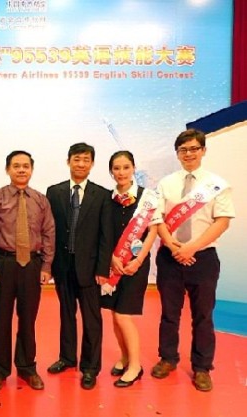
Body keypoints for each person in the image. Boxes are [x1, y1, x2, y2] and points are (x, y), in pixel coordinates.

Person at [151, 129, 234, 392]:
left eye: (194, 148)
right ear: (177, 153)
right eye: (183, 149)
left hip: (203, 257)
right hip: (170, 256)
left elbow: (222, 221)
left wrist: (192, 248)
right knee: (169, 314)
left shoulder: (216, 184)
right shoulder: (166, 184)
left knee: (203, 315)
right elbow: (157, 218)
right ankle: (168, 358)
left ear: (203, 150)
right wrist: (171, 244)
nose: (189, 154)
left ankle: (202, 367)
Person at [0, 150, 55, 392]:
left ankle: (27, 367)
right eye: (16, 166)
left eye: (25, 166)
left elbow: (48, 233)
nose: (21, 170)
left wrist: (46, 265)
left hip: (31, 265)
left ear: (31, 169)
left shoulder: (40, 200)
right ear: (8, 169)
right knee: (0, 320)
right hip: (4, 264)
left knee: (28, 319)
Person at [46, 142, 113, 390]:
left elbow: (106, 236)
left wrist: (102, 270)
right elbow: (49, 231)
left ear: (92, 164)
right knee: (66, 315)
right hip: (62, 267)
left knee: (92, 320)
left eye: (86, 160)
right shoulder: (54, 192)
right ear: (68, 161)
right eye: (77, 159)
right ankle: (67, 358)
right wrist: (49, 264)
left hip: (90, 269)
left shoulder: (102, 195)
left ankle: (90, 367)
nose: (81, 164)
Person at [100, 151, 158, 388]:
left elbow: (153, 231)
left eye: (126, 167)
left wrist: (138, 260)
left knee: (123, 315)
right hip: (114, 264)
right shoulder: (107, 199)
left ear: (133, 168)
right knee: (115, 314)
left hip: (135, 266)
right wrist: (111, 258)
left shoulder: (148, 198)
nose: (121, 172)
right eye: (116, 168)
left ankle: (135, 365)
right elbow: (104, 232)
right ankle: (124, 357)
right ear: (111, 171)